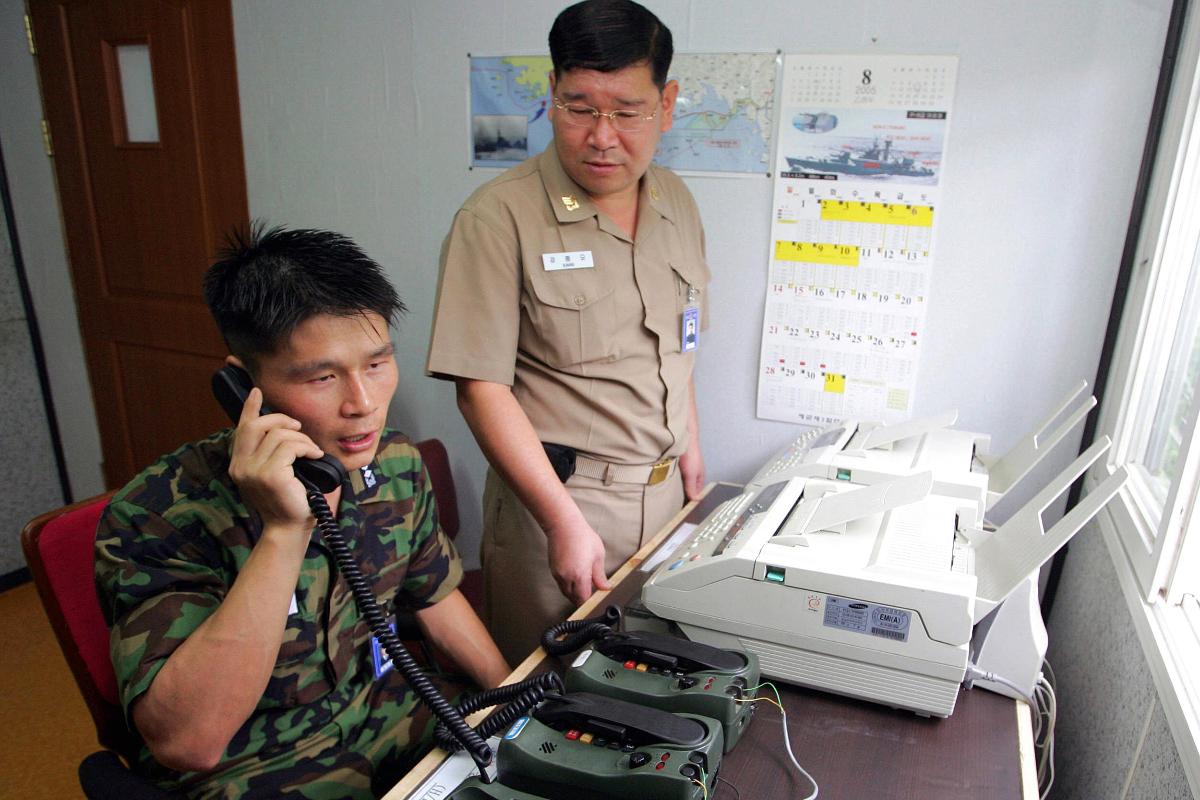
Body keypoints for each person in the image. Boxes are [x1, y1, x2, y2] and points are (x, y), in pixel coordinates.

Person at [95, 226, 510, 799]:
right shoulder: (158, 513)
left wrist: (518, 707)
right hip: (255, 768)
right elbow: (189, 741)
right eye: (322, 377)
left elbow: (435, 597)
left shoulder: (393, 464)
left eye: (376, 364)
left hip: (392, 719)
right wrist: (284, 531)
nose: (362, 405)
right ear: (242, 385)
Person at [427, 0, 711, 666]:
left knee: (647, 692)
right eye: (580, 108)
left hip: (666, 498)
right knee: (546, 705)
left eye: (627, 111)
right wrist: (562, 522)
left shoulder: (675, 201)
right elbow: (480, 388)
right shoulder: (498, 219)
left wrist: (692, 447)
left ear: (666, 105)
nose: (602, 136)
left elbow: (678, 345)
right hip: (562, 511)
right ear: (551, 95)